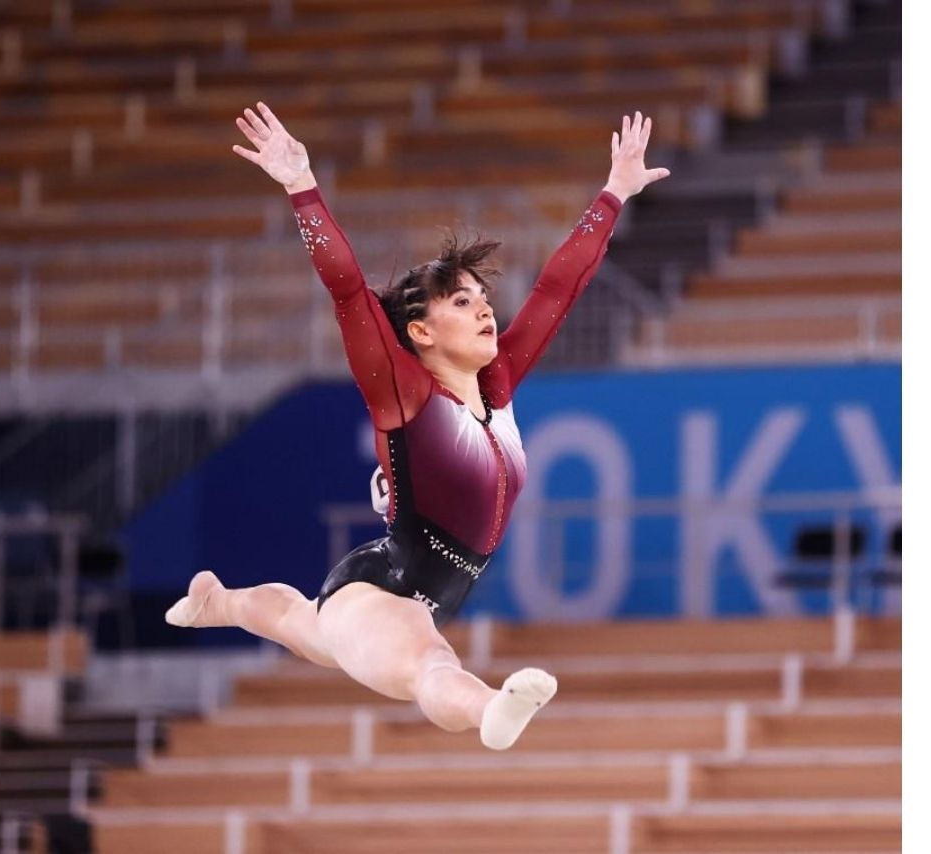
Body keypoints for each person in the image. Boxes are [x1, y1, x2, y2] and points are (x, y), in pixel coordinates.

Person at [167, 102, 669, 749]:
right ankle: (492, 708)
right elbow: (349, 292)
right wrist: (301, 187)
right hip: (380, 592)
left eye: (484, 298)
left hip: (410, 593)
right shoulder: (405, 395)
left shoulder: (498, 385)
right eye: (464, 302)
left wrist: (612, 194)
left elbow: (555, 292)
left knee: (299, 620)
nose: (486, 309)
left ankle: (221, 603)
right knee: (428, 663)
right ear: (421, 332)